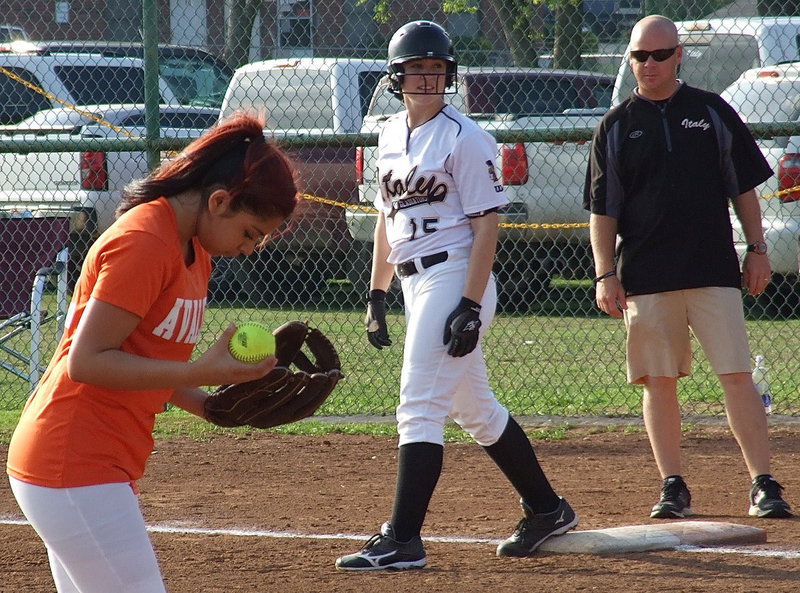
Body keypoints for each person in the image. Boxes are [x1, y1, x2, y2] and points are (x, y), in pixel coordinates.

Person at [6, 113, 299, 592]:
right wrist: (200, 370)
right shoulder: (145, 241)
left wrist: (208, 404)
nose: (250, 249)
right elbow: (88, 361)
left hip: (96, 462)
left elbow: (144, 357)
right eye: (250, 232)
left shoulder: (194, 248)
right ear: (219, 201)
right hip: (73, 459)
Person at [334, 20, 578, 572]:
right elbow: (387, 218)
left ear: (450, 75)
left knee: (418, 405)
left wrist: (469, 304)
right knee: (475, 410)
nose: (426, 77)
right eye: (415, 68)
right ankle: (548, 510)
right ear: (395, 77)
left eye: (436, 68)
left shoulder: (466, 137)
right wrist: (376, 293)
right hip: (414, 280)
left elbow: (486, 225)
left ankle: (403, 538)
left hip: (455, 275)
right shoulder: (388, 134)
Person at [584, 15, 792, 520]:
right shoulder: (616, 125)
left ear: (679, 55)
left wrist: (757, 249)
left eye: (660, 54)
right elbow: (603, 210)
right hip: (646, 275)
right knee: (658, 381)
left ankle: (763, 483)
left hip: (712, 268)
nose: (649, 64)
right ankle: (672, 485)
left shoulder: (711, 110)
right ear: (630, 59)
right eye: (640, 56)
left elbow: (744, 188)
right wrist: (605, 274)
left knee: (736, 375)